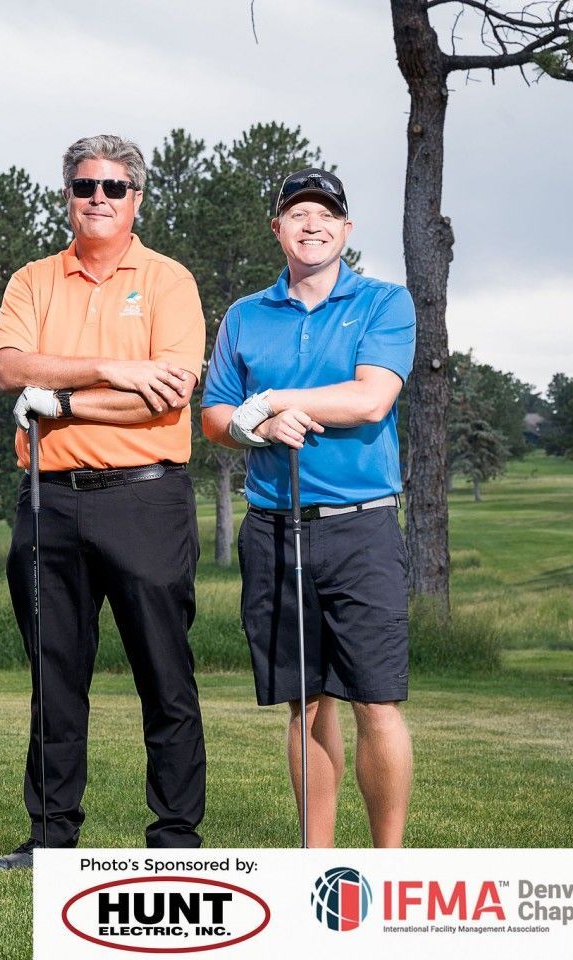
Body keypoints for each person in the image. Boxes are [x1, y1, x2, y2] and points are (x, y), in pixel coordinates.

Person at [0, 135, 207, 870]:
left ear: (135, 197)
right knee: (53, 679)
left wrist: (61, 401)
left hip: (146, 499)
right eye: (86, 186)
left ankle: (174, 839)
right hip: (50, 500)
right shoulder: (32, 280)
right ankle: (51, 837)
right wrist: (114, 369)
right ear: (68, 195)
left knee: (164, 675)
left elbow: (168, 394)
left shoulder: (169, 280)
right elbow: (11, 368)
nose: (99, 198)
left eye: (114, 187)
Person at [201, 168, 415, 847]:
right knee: (304, 701)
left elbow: (370, 399)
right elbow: (213, 415)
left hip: (361, 528)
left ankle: (387, 867)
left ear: (345, 229)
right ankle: (314, 864)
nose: (311, 224)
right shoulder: (244, 316)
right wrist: (257, 426)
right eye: (297, 213)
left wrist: (270, 401)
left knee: (376, 701)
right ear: (278, 229)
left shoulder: (383, 302)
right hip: (274, 528)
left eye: (325, 214)